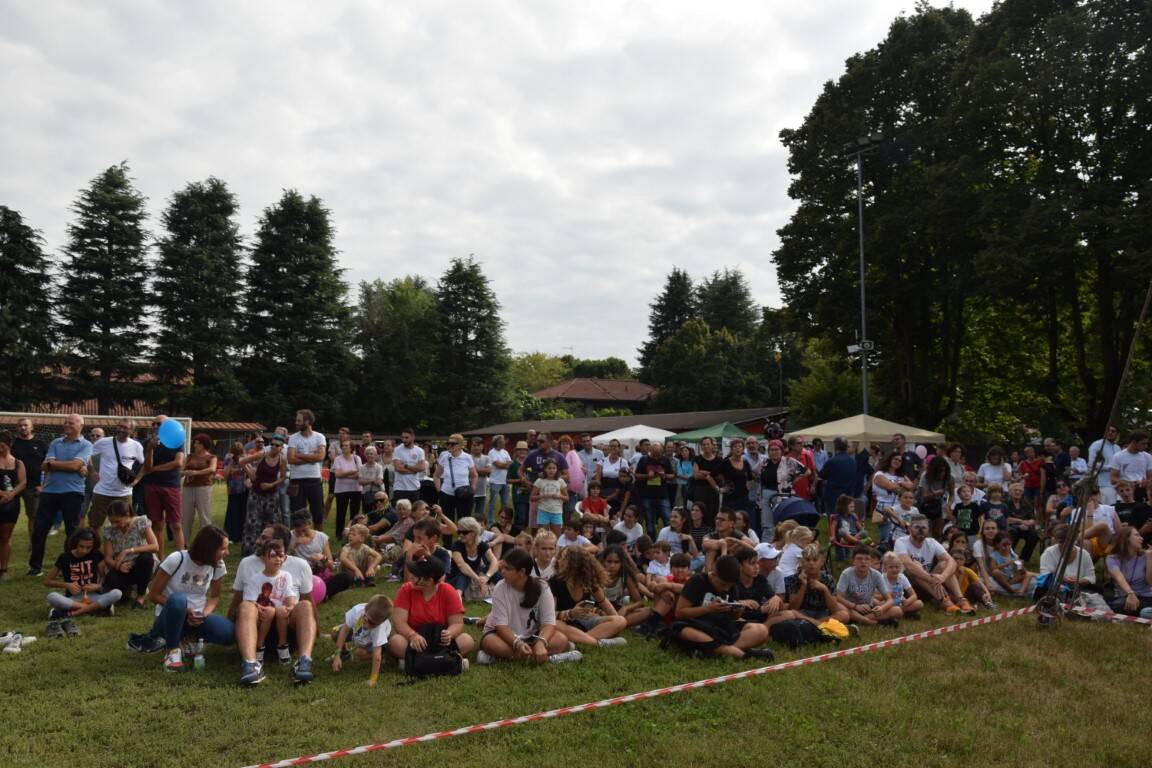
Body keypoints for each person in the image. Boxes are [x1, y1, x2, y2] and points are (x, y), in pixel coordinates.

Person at [127, 526, 235, 672]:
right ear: (208, 548)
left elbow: (215, 596)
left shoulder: (218, 565)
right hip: (170, 615)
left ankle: (188, 638)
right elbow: (153, 595)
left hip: (196, 618)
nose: (227, 553)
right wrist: (185, 610)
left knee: (230, 633)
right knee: (178, 600)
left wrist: (204, 614)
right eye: (223, 548)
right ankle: (172, 653)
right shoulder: (177, 559)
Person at [478, 548, 578, 665]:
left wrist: (541, 643)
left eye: (507, 568)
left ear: (521, 572)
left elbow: (549, 623)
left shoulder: (542, 587)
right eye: (502, 567)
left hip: (533, 636)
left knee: (561, 639)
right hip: (504, 637)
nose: (502, 571)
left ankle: (497, 658)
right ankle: (551, 659)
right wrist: (518, 643)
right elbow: (500, 626)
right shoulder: (500, 587)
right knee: (490, 642)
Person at [671, 554, 773, 659]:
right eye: (723, 585)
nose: (726, 589)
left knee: (761, 630)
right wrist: (708, 609)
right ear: (714, 574)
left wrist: (737, 611)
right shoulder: (697, 581)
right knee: (686, 631)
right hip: (698, 625)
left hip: (722, 628)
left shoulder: (732, 585)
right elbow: (680, 613)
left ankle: (714, 651)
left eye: (729, 586)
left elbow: (734, 618)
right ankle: (741, 655)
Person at [28, 414, 93, 577]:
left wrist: (55, 464)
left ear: (81, 426)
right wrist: (66, 465)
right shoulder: (56, 442)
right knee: (39, 530)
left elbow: (76, 465)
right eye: (65, 422)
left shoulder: (86, 445)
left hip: (72, 493)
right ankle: (35, 567)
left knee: (71, 532)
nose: (66, 425)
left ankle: (68, 566)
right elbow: (44, 465)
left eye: (71, 423)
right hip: (49, 492)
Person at [387, 555, 475, 665]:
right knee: (395, 642)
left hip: (440, 642)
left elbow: (457, 623)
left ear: (429, 580)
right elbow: (399, 622)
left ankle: (414, 661)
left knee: (467, 640)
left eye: (416, 575)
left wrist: (449, 634)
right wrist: (412, 635)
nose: (411, 578)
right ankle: (445, 660)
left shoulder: (448, 591)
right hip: (415, 643)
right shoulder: (406, 590)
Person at [44, 527, 122, 636]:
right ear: (76, 542)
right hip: (74, 599)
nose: (84, 550)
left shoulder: (96, 555)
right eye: (81, 546)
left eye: (88, 547)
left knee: (117, 593)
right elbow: (47, 581)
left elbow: (103, 578)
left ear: (93, 545)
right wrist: (67, 585)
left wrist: (98, 586)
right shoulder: (64, 557)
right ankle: (97, 609)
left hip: (93, 596)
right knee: (52, 596)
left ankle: (71, 613)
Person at [549, 546, 628, 647]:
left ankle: (579, 641)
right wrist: (571, 613)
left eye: (562, 558)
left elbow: (604, 603)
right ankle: (597, 643)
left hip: (586, 620)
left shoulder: (588, 580)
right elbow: (550, 615)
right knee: (555, 624)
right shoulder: (554, 582)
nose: (558, 561)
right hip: (565, 622)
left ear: (574, 563)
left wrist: (617, 625)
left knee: (620, 620)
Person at [893, 515, 973, 615]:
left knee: (944, 564)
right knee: (916, 566)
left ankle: (961, 599)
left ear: (928, 529)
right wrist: (930, 578)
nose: (921, 530)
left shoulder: (932, 542)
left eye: (924, 528)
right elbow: (908, 565)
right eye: (917, 527)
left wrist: (942, 577)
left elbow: (951, 561)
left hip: (929, 585)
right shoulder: (901, 542)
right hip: (907, 588)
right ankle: (945, 602)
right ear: (909, 529)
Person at [242, 538, 300, 665]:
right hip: (263, 616)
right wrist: (258, 608)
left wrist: (290, 606)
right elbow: (250, 601)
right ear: (263, 558)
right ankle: (259, 646)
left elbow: (290, 595)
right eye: (273, 556)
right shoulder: (256, 578)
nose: (278, 559)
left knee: (280, 610)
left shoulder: (286, 576)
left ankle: (282, 645)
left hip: (280, 617)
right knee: (269, 611)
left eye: (281, 556)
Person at [138, 416, 186, 558]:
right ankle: (161, 560)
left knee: (176, 525)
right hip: (152, 486)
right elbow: (147, 467)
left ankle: (180, 559)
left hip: (171, 486)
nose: (155, 425)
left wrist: (154, 469)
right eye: (153, 423)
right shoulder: (147, 443)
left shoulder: (178, 441)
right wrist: (150, 449)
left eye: (159, 423)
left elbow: (178, 463)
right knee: (157, 525)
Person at [86, 418, 144, 531]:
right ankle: (93, 548)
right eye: (119, 426)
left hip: (124, 493)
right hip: (102, 491)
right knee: (94, 525)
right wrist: (92, 471)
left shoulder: (136, 446)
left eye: (125, 428)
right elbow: (87, 454)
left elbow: (144, 464)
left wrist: (137, 480)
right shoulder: (104, 442)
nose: (121, 429)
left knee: (125, 525)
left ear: (132, 431)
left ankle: (121, 549)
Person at [101, 498, 159, 609]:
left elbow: (155, 546)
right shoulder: (109, 529)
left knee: (145, 558)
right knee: (111, 579)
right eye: (112, 521)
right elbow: (108, 558)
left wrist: (128, 551)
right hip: (123, 567)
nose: (114, 525)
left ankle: (140, 597)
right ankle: (126, 591)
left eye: (117, 521)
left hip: (142, 566)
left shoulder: (141, 522)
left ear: (127, 515)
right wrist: (118, 566)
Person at [238, 433, 288, 556]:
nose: (274, 447)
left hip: (271, 495)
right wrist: (251, 474)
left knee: (274, 523)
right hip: (256, 493)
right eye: (272, 444)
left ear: (282, 447)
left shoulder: (282, 459)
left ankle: (273, 549)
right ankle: (249, 551)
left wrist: (271, 485)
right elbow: (242, 461)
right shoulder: (262, 455)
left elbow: (282, 477)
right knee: (253, 522)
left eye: (277, 445)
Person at [330, 594, 393, 685]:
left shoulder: (379, 629)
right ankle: (344, 654)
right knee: (335, 632)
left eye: (372, 623)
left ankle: (385, 652)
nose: (366, 624)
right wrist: (337, 655)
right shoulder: (357, 610)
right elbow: (344, 631)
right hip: (358, 634)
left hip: (372, 641)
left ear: (380, 623)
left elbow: (377, 656)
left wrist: (373, 679)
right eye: (366, 618)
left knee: (360, 654)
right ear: (366, 608)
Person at [785, 543, 853, 625]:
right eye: (808, 560)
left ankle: (814, 624)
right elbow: (793, 607)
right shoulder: (795, 578)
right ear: (802, 562)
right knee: (789, 613)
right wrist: (803, 585)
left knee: (844, 615)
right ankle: (821, 626)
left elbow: (834, 609)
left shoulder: (828, 578)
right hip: (803, 613)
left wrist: (825, 589)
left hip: (823, 613)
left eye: (815, 560)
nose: (811, 563)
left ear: (822, 562)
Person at [836, 544, 901, 626]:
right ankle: (869, 621)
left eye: (867, 559)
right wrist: (855, 606)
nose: (863, 562)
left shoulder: (876, 575)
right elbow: (838, 597)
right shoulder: (846, 574)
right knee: (838, 606)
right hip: (851, 608)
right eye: (859, 559)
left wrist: (882, 608)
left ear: (870, 562)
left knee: (897, 610)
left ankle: (859, 620)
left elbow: (890, 600)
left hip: (868, 609)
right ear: (853, 561)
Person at [287, 409, 327, 528]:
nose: (296, 422)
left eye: (299, 420)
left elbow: (321, 457)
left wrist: (298, 454)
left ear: (307, 421)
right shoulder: (293, 438)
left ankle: (319, 542)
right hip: (296, 481)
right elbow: (291, 459)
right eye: (296, 420)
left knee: (318, 514)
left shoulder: (319, 437)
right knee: (297, 515)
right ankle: (298, 543)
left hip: (314, 480)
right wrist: (312, 457)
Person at [11, 418, 47, 541]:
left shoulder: (41, 444)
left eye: (26, 425)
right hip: (13, 486)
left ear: (32, 427)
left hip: (33, 486)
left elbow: (48, 466)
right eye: (20, 425)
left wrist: (43, 485)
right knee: (7, 516)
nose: (23, 428)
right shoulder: (12, 444)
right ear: (17, 428)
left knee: (34, 516)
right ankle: (5, 540)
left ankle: (33, 543)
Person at [1105, 525, 1152, 619]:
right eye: (1137, 535)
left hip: (1146, 597)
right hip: (1124, 598)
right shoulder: (1112, 558)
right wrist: (1130, 594)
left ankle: (1143, 613)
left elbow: (1150, 582)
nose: (1141, 538)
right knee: (1119, 604)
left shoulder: (1146, 556)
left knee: (1141, 610)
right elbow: (1119, 577)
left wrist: (1150, 559)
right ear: (1126, 539)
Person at [0, 431, 29, 580]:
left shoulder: (18, 463)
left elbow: (23, 482)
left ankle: (3, 570)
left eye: (2, 445)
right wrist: (2, 493)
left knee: (5, 537)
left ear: (9, 445)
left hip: (11, 504)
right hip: (2, 498)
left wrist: (11, 494)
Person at [180, 433, 217, 543]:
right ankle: (184, 542)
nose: (195, 445)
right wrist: (184, 472)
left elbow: (212, 469)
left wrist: (196, 473)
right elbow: (181, 471)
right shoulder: (189, 456)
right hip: (187, 488)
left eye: (198, 443)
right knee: (186, 516)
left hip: (203, 488)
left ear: (204, 445)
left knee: (204, 516)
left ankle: (207, 542)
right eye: (194, 443)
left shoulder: (211, 457)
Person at [872, 452, 916, 545]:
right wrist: (902, 484)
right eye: (895, 459)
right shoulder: (880, 474)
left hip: (898, 508)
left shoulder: (901, 475)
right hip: (884, 508)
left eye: (900, 460)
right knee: (887, 536)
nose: (897, 461)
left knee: (900, 535)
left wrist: (901, 483)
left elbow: (912, 486)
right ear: (890, 459)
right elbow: (892, 487)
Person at [449, 516, 497, 599]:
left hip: (472, 578)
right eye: (459, 532)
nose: (460, 535)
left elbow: (494, 561)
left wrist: (487, 577)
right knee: (465, 573)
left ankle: (509, 589)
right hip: (455, 579)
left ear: (474, 533)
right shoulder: (457, 545)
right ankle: (458, 596)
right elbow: (462, 566)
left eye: (464, 532)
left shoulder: (481, 545)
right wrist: (479, 580)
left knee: (491, 569)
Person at [434, 433, 477, 524]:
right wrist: (439, 491)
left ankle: (463, 538)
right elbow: (436, 475)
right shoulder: (444, 457)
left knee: (464, 522)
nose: (449, 445)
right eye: (448, 443)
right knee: (446, 521)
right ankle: (447, 538)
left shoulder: (467, 457)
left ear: (460, 445)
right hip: (446, 494)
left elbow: (474, 475)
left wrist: (472, 490)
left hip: (463, 494)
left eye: (453, 444)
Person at [634, 441, 674, 535]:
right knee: (649, 521)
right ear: (650, 451)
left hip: (662, 494)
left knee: (668, 519)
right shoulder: (643, 459)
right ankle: (652, 542)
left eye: (658, 454)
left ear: (661, 452)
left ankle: (670, 539)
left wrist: (664, 476)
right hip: (647, 495)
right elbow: (636, 475)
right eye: (654, 455)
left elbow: (672, 475)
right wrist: (647, 476)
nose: (656, 457)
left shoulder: (665, 460)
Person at [329, 439, 363, 541]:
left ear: (351, 448)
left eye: (346, 446)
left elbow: (359, 474)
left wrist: (345, 474)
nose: (343, 447)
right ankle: (339, 534)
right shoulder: (338, 459)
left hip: (356, 489)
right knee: (341, 513)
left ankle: (354, 534)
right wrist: (352, 471)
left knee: (355, 513)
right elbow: (338, 475)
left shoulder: (357, 458)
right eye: (342, 445)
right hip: (341, 490)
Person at [917, 455, 954, 538]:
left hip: (940, 506)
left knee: (938, 533)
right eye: (939, 471)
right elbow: (924, 496)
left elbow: (952, 494)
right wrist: (935, 493)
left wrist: (949, 504)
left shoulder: (949, 478)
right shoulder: (925, 476)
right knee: (925, 532)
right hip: (925, 506)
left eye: (943, 471)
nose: (942, 474)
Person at [1108, 431, 1151, 503]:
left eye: (1146, 443)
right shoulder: (1118, 456)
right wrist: (1128, 483)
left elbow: (1150, 477)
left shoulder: (1147, 457)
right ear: (1134, 442)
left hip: (1141, 491)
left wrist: (1146, 482)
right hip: (1125, 492)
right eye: (1143, 443)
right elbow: (1113, 478)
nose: (1146, 446)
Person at [880, 551, 924, 618]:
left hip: (901, 604)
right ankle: (905, 613)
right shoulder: (882, 578)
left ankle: (899, 613)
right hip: (887, 604)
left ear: (900, 567)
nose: (894, 569)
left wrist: (907, 601)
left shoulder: (902, 577)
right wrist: (889, 595)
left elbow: (914, 595)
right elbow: (874, 596)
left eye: (896, 567)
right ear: (885, 568)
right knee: (882, 605)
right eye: (891, 567)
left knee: (919, 603)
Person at [691, 436, 724, 525]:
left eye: (708, 444)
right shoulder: (697, 458)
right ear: (701, 446)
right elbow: (696, 475)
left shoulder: (719, 460)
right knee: (699, 513)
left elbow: (720, 477)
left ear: (712, 445)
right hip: (700, 490)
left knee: (713, 513)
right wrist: (712, 474)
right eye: (703, 444)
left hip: (713, 490)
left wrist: (705, 473)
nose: (706, 446)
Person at [222, 442, 249, 545]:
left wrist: (237, 468)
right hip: (233, 489)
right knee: (232, 512)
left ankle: (242, 536)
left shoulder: (246, 457)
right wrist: (231, 464)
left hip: (244, 488)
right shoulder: (228, 458)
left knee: (243, 512)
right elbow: (225, 475)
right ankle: (230, 535)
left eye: (239, 452)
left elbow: (248, 471)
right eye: (235, 452)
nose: (237, 455)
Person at [1088, 425, 1120, 503]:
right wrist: (1110, 468)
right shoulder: (1097, 445)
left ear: (1117, 434)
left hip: (1118, 484)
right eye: (1108, 430)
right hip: (1103, 483)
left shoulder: (1117, 448)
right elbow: (1092, 464)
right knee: (1109, 507)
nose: (1110, 432)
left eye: (1113, 431)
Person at [486, 435, 512, 523]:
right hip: (495, 481)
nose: (504, 443)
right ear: (497, 442)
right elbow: (498, 465)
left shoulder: (505, 452)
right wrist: (505, 465)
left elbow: (510, 464)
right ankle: (491, 521)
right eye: (502, 441)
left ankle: (504, 520)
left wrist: (504, 465)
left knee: (505, 503)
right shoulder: (491, 452)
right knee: (492, 503)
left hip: (505, 481)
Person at [469, 437, 493, 521]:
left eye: (478, 445)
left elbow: (489, 471)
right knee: (467, 515)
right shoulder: (467, 458)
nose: (476, 447)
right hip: (469, 491)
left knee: (479, 516)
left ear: (482, 446)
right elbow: (467, 472)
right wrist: (482, 471)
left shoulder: (487, 458)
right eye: (474, 445)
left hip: (482, 492)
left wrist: (473, 470)